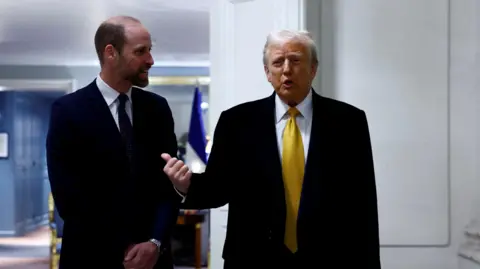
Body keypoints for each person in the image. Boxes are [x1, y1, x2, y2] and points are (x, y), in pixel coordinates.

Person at [162, 30, 381, 268]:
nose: (286, 69)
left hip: (329, 257)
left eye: (296, 60)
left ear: (313, 69)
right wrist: (185, 185)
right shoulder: (237, 122)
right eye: (277, 62)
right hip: (253, 256)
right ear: (268, 72)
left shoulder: (348, 121)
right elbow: (218, 188)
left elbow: (363, 203)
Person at [46, 15, 181, 269]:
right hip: (91, 257)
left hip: (154, 260)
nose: (150, 60)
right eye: (141, 51)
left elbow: (169, 187)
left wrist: (154, 242)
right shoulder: (67, 110)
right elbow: (69, 198)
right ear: (111, 53)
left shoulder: (158, 109)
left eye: (150, 50)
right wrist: (126, 248)